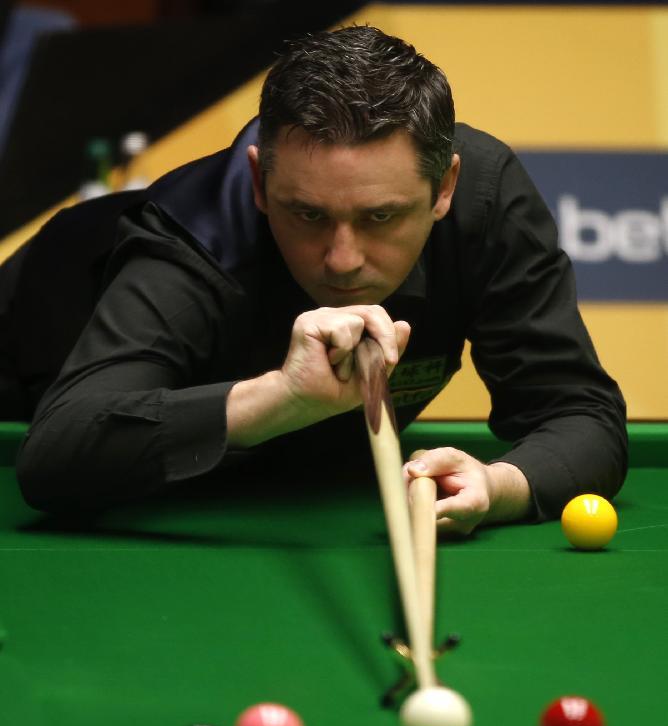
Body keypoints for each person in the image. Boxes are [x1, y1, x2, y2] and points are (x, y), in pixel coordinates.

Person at [0, 25, 626, 530]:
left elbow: (580, 414)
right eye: (309, 214)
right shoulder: (194, 240)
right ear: (258, 184)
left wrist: (499, 486)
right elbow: (57, 456)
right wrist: (282, 398)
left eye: (380, 217)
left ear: (445, 188)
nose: (342, 259)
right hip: (28, 356)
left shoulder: (486, 205)